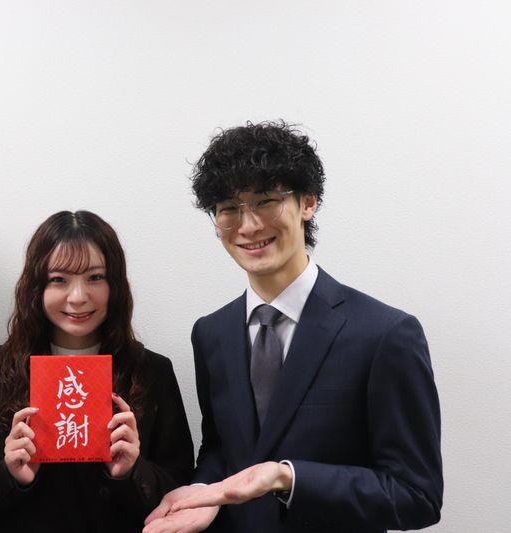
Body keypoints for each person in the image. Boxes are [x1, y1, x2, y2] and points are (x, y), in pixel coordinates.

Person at [144, 121, 443, 533]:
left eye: (266, 201)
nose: (248, 226)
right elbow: (220, 449)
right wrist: (202, 491)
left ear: (308, 202)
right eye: (228, 209)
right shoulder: (211, 333)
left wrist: (286, 477)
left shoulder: (385, 334)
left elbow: (416, 496)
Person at [0, 210, 195, 532]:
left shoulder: (151, 371)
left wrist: (132, 471)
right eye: (59, 279)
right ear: (36, 286)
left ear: (115, 284)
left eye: (95, 277)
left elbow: (183, 493)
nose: (78, 297)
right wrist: (10, 474)